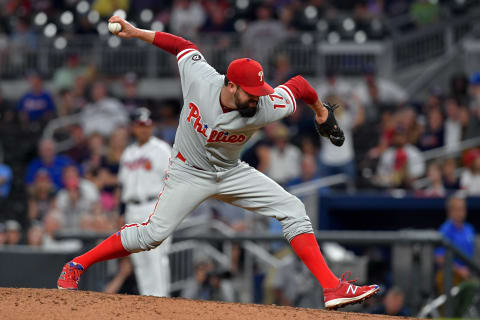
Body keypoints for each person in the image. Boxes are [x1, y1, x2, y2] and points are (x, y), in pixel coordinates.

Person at [57, 16, 379, 310]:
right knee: (152, 235)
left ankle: (331, 288)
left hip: (229, 172)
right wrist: (137, 32)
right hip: (187, 172)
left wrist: (321, 112)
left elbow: (299, 85)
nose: (256, 98)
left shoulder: (266, 105)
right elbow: (183, 45)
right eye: (250, 93)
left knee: (293, 207)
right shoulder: (201, 79)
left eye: (259, 92)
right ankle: (77, 265)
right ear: (231, 85)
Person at [117, 107, 172, 297]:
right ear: (133, 128)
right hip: (132, 208)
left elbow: (173, 181)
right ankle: (147, 302)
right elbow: (123, 187)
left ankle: (160, 302)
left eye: (147, 125)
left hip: (153, 207)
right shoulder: (128, 153)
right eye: (140, 125)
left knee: (156, 257)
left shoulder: (161, 149)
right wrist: (121, 213)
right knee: (139, 259)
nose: (143, 129)